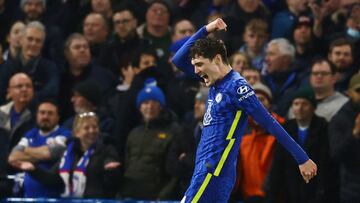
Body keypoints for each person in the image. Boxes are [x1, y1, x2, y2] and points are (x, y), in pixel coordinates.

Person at [172, 18, 317, 203]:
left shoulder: (237, 88)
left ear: (217, 59)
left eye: (199, 64)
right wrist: (207, 29)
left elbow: (269, 123)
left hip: (213, 170)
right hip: (208, 169)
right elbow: (178, 59)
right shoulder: (216, 81)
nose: (196, 70)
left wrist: (302, 158)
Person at [14, 112, 121, 198]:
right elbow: (53, 179)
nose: (92, 131)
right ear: (76, 133)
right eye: (86, 128)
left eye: (95, 127)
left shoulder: (107, 150)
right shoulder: (68, 153)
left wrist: (111, 172)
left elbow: (113, 184)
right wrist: (33, 170)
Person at [8, 100, 71, 197]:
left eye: (50, 113)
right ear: (37, 115)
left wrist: (25, 150)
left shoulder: (64, 134)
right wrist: (42, 153)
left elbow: (49, 154)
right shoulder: (31, 133)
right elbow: (13, 158)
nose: (45, 116)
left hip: (53, 197)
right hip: (28, 196)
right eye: (42, 113)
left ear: (58, 117)